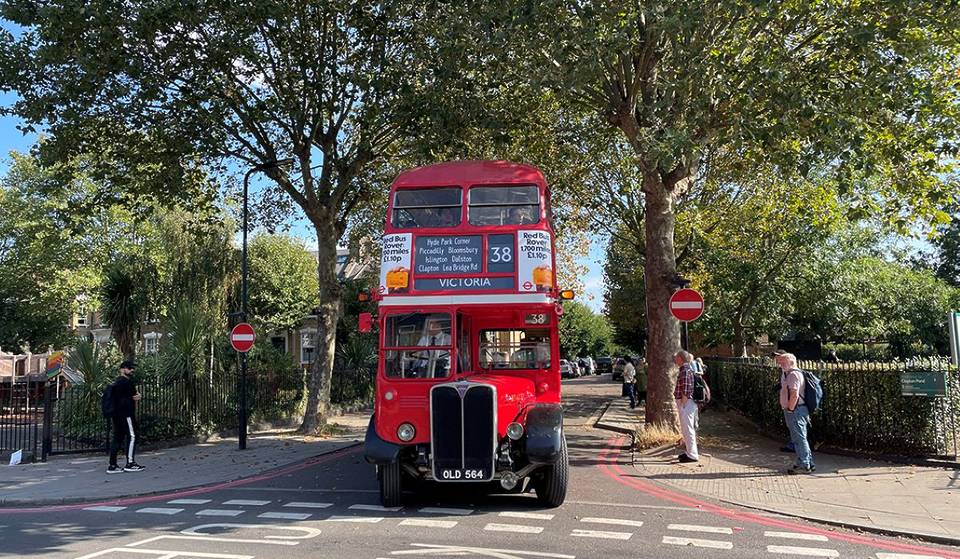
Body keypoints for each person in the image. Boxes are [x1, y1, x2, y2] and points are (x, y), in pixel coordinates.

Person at [775, 350, 815, 474]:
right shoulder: (790, 373)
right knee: (800, 437)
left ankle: (804, 464)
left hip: (796, 410)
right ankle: (808, 462)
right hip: (797, 409)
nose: (780, 364)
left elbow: (794, 394)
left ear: (791, 362)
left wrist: (790, 409)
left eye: (783, 362)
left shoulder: (793, 375)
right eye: (779, 362)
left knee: (799, 438)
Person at [107, 360, 145, 474]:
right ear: (122, 369)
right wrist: (138, 396)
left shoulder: (116, 383)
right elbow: (135, 396)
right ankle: (130, 463)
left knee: (117, 438)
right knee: (132, 436)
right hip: (126, 414)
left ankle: (112, 465)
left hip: (116, 415)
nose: (132, 370)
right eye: (129, 368)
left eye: (132, 368)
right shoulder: (126, 382)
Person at [673, 350, 699, 463]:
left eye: (676, 358)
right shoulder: (687, 369)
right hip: (687, 402)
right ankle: (690, 452)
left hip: (686, 403)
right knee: (687, 429)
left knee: (687, 429)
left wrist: (683, 405)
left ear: (680, 358)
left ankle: (692, 455)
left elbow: (686, 389)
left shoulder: (684, 370)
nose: (675, 360)